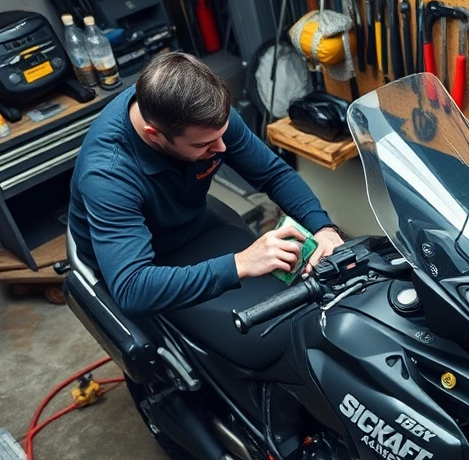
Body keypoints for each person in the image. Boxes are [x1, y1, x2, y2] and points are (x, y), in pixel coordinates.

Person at [68, 52, 343, 316]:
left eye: (222, 135)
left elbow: (273, 174)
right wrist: (242, 263)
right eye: (204, 144)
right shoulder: (108, 174)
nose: (222, 147)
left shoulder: (204, 116)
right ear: (154, 135)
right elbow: (132, 289)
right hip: (143, 264)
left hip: (191, 223)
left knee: (302, 297)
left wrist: (323, 228)